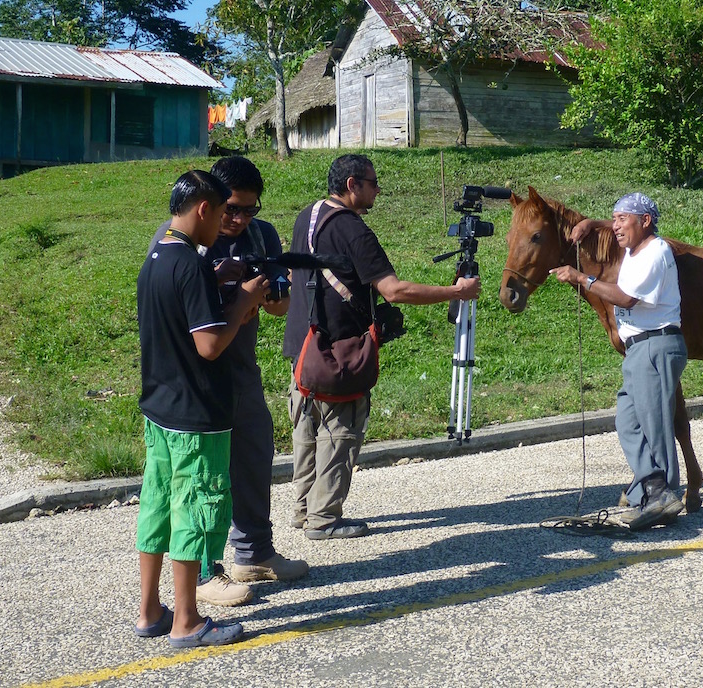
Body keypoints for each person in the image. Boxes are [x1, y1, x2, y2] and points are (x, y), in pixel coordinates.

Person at [282, 154, 481, 539]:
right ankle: (324, 519)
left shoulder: (307, 216)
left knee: (306, 428)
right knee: (341, 433)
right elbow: (395, 290)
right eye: (373, 183)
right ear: (353, 184)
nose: (377, 190)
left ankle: (304, 510)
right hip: (340, 350)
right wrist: (455, 291)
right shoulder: (354, 230)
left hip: (304, 345)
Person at [150, 156, 309, 608]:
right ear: (210, 204)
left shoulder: (262, 235)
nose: (238, 220)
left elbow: (279, 307)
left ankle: (254, 553)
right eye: (231, 209)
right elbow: (177, 314)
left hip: (241, 373)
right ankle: (202, 571)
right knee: (202, 478)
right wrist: (234, 298)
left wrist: (274, 295)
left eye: (249, 210)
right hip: (196, 381)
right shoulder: (182, 241)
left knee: (254, 459)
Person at [135, 170, 269, 648]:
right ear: (203, 210)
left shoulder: (158, 254)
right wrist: (245, 301)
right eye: (224, 212)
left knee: (157, 507)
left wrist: (216, 279)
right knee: (194, 507)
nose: (227, 226)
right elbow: (210, 344)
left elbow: (174, 308)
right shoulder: (191, 263)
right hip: (197, 413)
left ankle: (151, 609)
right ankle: (187, 621)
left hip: (159, 405)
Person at [550, 193, 687, 530]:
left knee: (655, 427)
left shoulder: (656, 252)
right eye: (613, 219)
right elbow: (611, 230)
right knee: (628, 421)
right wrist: (591, 223)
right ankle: (652, 493)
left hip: (656, 344)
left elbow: (626, 298)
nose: (616, 226)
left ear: (645, 221)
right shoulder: (633, 249)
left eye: (623, 218)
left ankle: (663, 497)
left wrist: (583, 279)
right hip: (638, 348)